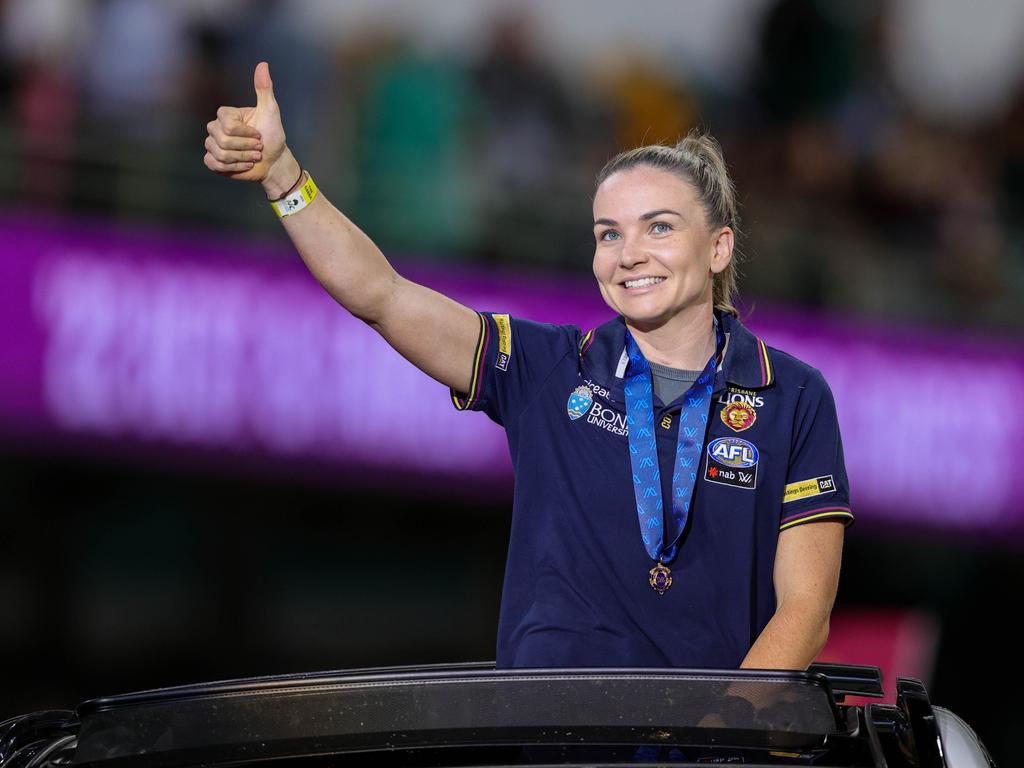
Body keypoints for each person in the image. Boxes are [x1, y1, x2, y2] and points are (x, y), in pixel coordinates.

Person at [204, 62, 853, 671]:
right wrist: (285, 178)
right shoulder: (549, 368)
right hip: (553, 739)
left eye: (658, 228)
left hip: (707, 746)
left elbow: (806, 611)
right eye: (609, 233)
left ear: (717, 248)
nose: (629, 253)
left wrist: (724, 732)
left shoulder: (791, 395)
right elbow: (382, 294)